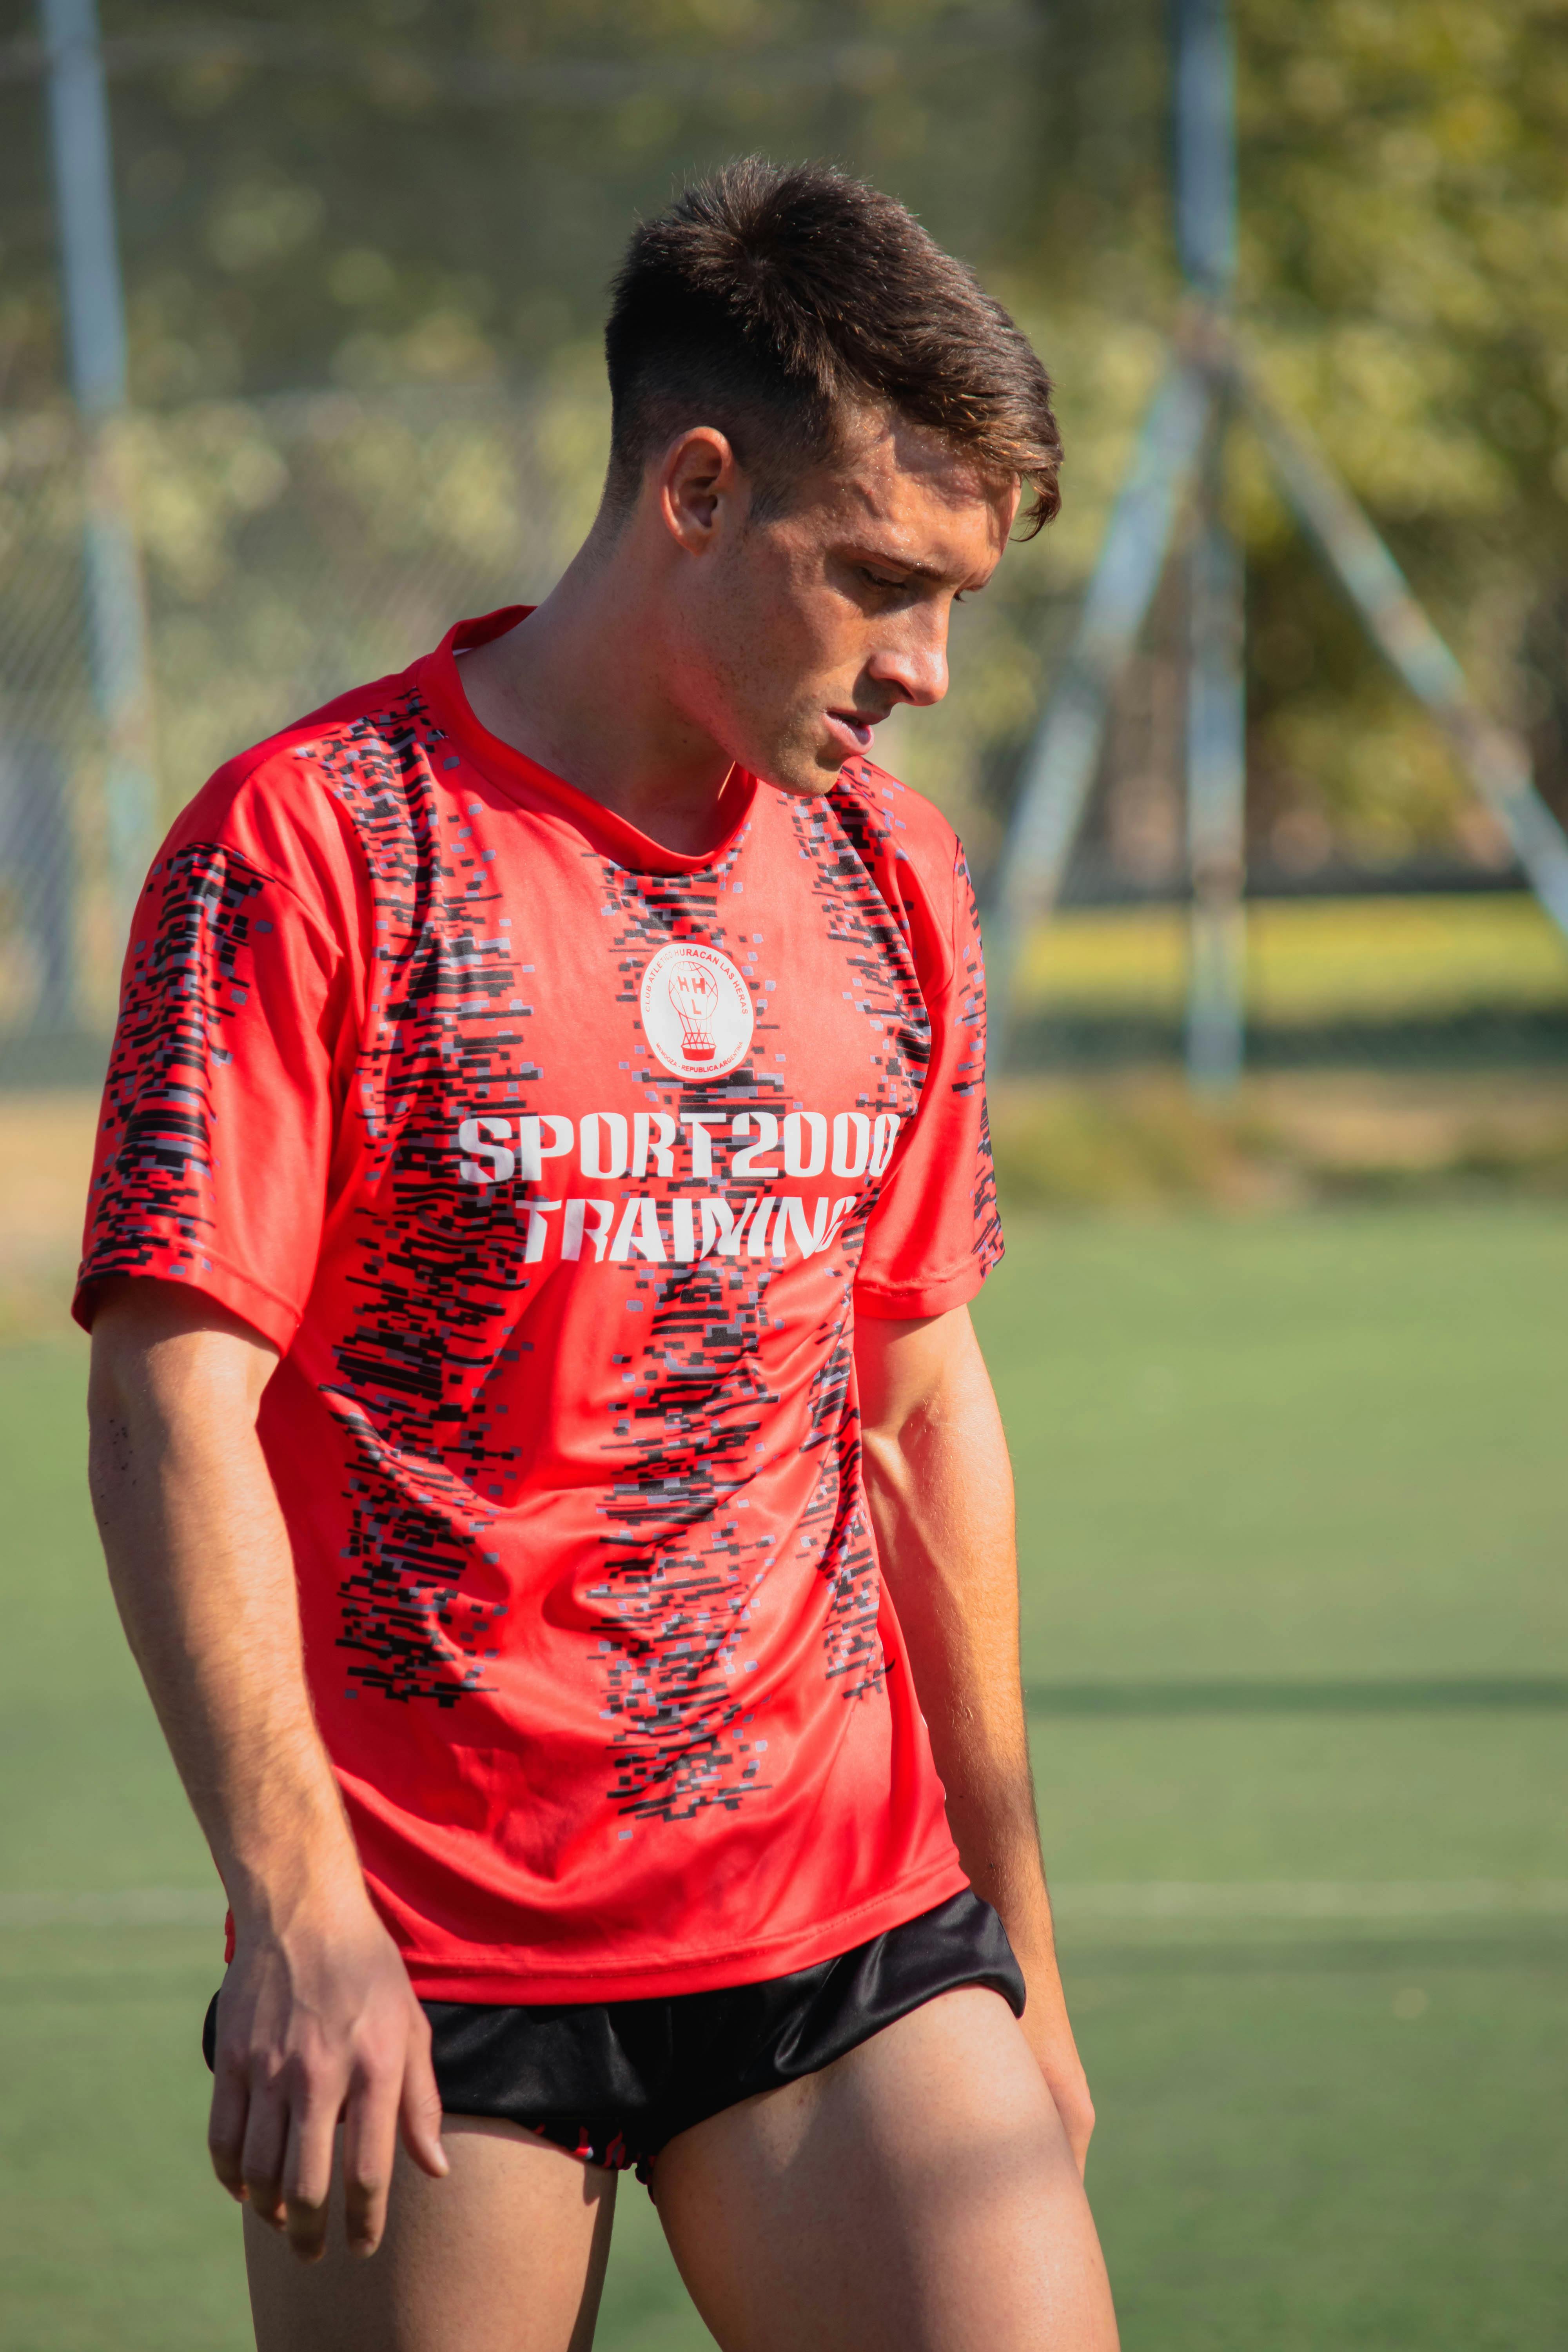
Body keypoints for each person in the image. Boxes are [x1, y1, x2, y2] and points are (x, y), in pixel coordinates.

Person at [79, 158, 1119, 2352]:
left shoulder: (897, 885)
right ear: (699, 489)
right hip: (432, 1962)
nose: (930, 668)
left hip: (842, 1918)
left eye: (967, 605)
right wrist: (295, 1917)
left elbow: (923, 1418)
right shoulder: (310, 846)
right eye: (880, 583)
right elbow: (174, 1391)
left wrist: (1018, 1948)